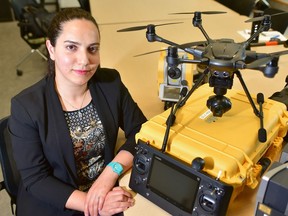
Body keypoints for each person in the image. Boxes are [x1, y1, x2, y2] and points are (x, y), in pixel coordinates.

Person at [8, 8, 147, 216]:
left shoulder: (111, 83)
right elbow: (36, 179)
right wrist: (95, 204)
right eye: (71, 47)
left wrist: (109, 174)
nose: (84, 60)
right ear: (51, 48)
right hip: (56, 203)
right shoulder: (26, 107)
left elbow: (141, 131)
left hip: (105, 191)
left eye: (92, 49)